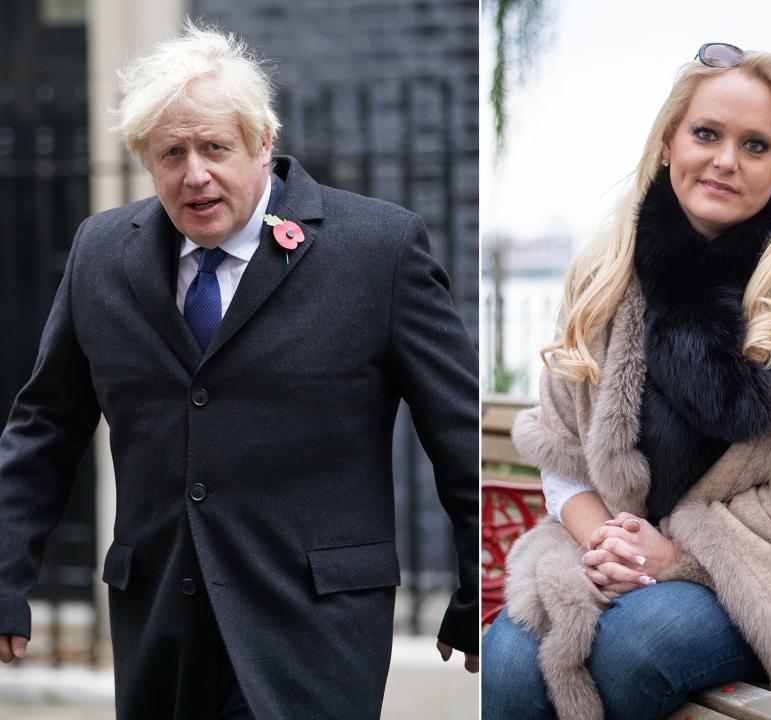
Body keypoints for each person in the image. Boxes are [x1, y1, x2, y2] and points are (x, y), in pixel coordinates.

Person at [0, 21, 478, 720]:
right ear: (146, 160)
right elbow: (42, 428)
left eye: (214, 147)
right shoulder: (99, 253)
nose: (194, 174)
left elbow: (459, 433)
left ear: (262, 142)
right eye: (171, 153)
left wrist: (482, 592)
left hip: (314, 629)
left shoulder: (379, 250)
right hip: (161, 622)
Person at [482, 43, 771, 720]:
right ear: (670, 142)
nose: (726, 160)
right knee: (505, 661)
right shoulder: (608, 273)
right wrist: (607, 541)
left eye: (755, 144)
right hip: (629, 552)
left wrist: (676, 554)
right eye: (706, 133)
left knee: (638, 644)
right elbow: (562, 451)